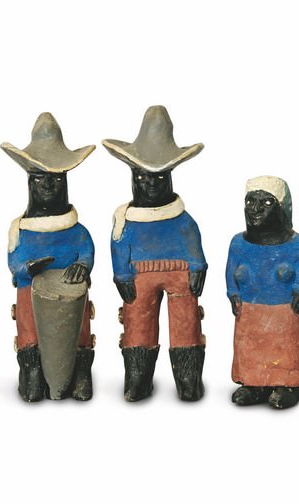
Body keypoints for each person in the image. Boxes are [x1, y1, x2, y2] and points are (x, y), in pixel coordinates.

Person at [104, 105, 207, 401]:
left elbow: (193, 240)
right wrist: (122, 274)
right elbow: (118, 246)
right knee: (137, 323)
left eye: (159, 178)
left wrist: (197, 266)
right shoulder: (125, 220)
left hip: (180, 273)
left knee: (186, 324)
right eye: (143, 176)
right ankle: (138, 378)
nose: (150, 183)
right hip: (139, 276)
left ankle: (188, 378)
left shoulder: (182, 219)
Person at [2, 112, 96, 401]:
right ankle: (32, 373)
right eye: (40, 179)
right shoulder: (21, 230)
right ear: (30, 182)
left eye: (55, 179)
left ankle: (79, 374)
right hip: (30, 291)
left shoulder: (76, 229)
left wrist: (82, 265)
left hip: (71, 293)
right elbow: (14, 264)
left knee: (78, 331)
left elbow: (86, 250)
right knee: (30, 331)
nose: (48, 186)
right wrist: (28, 268)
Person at [225, 176, 299, 409]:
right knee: (250, 346)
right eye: (250, 201)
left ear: (281, 209)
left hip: (286, 312)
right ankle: (254, 382)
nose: (255, 208)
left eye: (266, 203)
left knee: (288, 346)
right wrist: (233, 292)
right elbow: (229, 270)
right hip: (250, 311)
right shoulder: (238, 244)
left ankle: (289, 383)